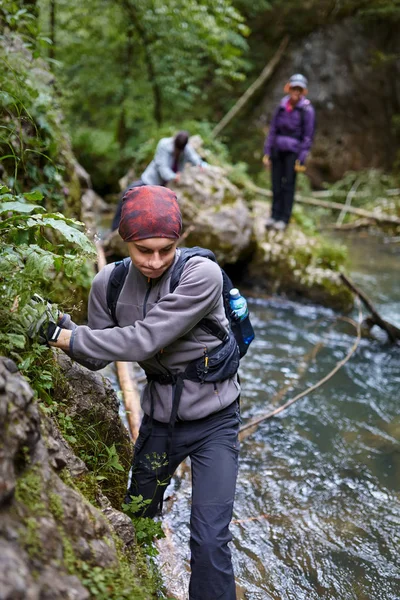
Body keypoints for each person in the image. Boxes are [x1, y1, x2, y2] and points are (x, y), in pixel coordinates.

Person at [43, 185, 240, 600]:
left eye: (165, 250)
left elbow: (144, 340)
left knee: (209, 541)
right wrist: (61, 328)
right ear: (124, 241)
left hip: (215, 423)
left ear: (179, 241)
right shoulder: (108, 284)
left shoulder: (200, 276)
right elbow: (97, 355)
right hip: (159, 422)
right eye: (144, 251)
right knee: (136, 518)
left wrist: (66, 338)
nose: (154, 261)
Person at [111, 131, 207, 231]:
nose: (177, 151)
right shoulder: (164, 144)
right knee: (127, 194)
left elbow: (194, 158)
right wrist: (174, 176)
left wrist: (201, 164)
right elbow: (163, 169)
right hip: (150, 182)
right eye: (176, 149)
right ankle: (115, 227)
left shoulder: (186, 148)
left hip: (167, 187)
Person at [262, 73, 315, 231]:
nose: (296, 92)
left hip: (293, 153)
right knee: (276, 185)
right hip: (278, 150)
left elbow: (308, 136)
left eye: (299, 89)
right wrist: (267, 152)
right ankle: (274, 215)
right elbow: (273, 130)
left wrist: (302, 157)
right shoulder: (282, 105)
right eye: (294, 88)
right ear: (289, 89)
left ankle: (284, 219)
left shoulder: (307, 110)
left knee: (288, 186)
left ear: (303, 91)